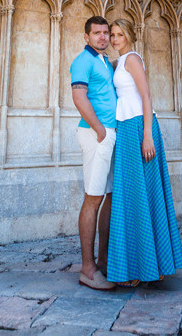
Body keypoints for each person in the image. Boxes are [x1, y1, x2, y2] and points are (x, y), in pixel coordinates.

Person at [106, 19, 182, 286]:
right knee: (131, 195)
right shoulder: (119, 61)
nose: (115, 39)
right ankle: (140, 265)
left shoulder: (132, 60)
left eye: (119, 34)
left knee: (146, 193)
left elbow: (147, 95)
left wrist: (148, 135)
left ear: (129, 36)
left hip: (140, 127)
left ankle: (154, 264)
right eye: (112, 35)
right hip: (126, 129)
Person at [70, 16, 118, 291]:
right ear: (86, 36)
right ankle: (87, 269)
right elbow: (79, 98)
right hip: (95, 135)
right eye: (97, 33)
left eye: (105, 33)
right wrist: (99, 130)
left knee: (108, 196)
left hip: (110, 134)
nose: (102, 37)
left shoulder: (102, 61)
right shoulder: (82, 61)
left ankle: (102, 260)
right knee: (93, 198)